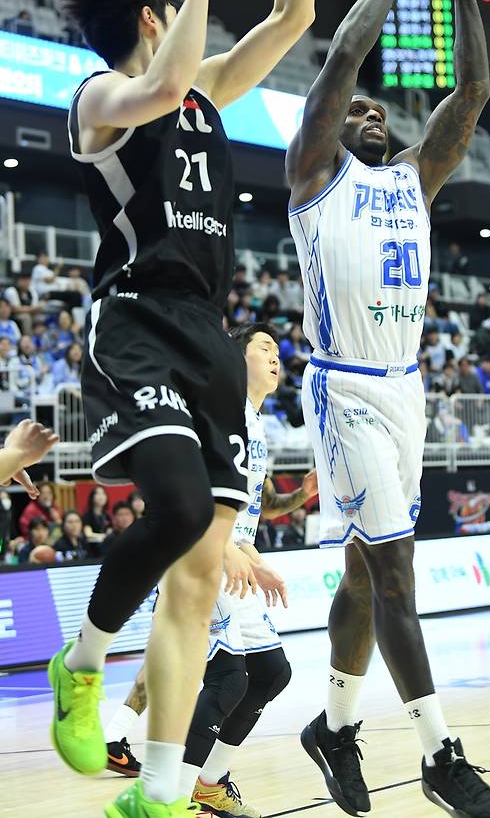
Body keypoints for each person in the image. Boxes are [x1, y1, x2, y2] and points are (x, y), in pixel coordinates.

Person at [48, 0, 316, 813]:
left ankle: (158, 790)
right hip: (135, 320)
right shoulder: (99, 102)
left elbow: (293, 15)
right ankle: (79, 665)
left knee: (198, 580)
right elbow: (157, 88)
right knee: (173, 515)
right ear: (156, 19)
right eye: (180, 14)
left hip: (206, 330)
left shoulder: (208, 92)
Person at [286, 0, 490, 818]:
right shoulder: (313, 175)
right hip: (343, 389)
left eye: (384, 110)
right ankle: (439, 752)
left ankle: (332, 728)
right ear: (336, 128)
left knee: (359, 575)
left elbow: (471, 99)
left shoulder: (413, 181)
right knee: (396, 577)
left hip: (406, 390)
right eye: (360, 111)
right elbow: (342, 59)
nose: (372, 110)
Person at [103, 324, 319, 818]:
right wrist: (225, 547)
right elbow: (189, 490)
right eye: (262, 347)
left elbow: (248, 511)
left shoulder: (259, 424)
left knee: (270, 672)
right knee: (227, 678)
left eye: (276, 350)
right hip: (197, 552)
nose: (275, 355)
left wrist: (257, 554)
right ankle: (167, 796)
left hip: (230, 555)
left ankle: (209, 782)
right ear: (232, 356)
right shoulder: (218, 409)